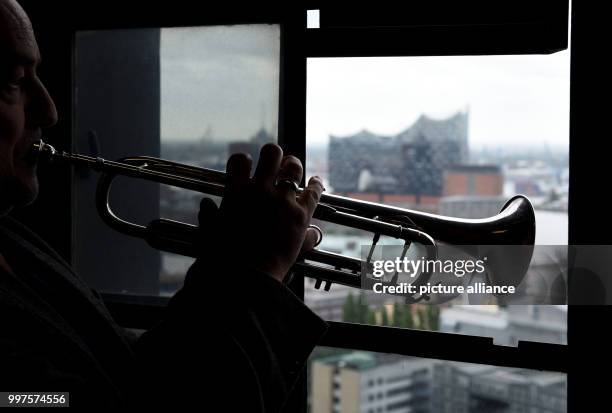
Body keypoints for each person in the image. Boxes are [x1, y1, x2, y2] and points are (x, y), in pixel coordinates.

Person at [0, 0, 327, 409]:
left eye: (38, 76)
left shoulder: (13, 239)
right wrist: (254, 273)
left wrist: (222, 271)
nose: (49, 111)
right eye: (14, 80)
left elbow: (135, 376)